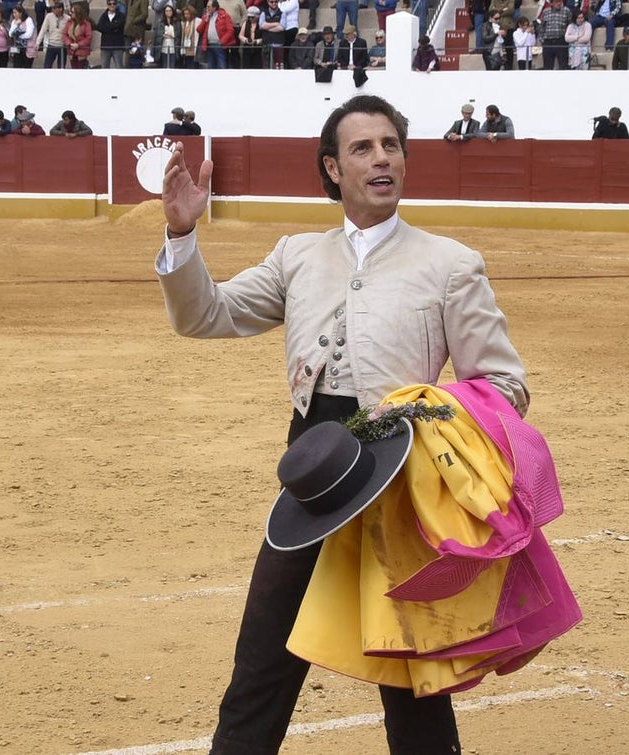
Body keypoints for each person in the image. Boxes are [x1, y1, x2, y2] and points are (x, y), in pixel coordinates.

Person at [156, 93, 529, 755]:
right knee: (262, 660)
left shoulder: (450, 263)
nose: (382, 158)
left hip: (403, 481)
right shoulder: (298, 254)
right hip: (313, 477)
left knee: (414, 681)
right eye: (363, 148)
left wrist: (419, 410)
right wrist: (183, 236)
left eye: (391, 145)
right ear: (332, 169)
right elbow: (203, 315)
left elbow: (504, 386)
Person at [198, 0, 237, 69]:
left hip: (220, 45)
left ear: (214, 7)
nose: (207, 8)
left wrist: (222, 41)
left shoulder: (225, 16)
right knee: (211, 66)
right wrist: (205, 20)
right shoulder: (206, 16)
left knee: (221, 65)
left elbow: (230, 30)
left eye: (209, 7)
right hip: (209, 45)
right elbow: (199, 30)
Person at [538, 0, 573, 70]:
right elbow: (541, 27)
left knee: (563, 67)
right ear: (551, 3)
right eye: (557, 2)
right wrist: (543, 41)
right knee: (547, 67)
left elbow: (571, 26)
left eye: (560, 1)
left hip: (561, 42)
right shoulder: (545, 11)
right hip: (548, 43)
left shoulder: (566, 11)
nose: (559, 3)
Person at [36, 0, 68, 68]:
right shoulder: (49, 16)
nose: (52, 10)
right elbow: (43, 30)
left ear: (60, 9)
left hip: (62, 46)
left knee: (61, 68)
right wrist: (38, 42)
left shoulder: (68, 19)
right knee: (47, 66)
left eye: (54, 8)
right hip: (51, 45)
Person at [98, 0, 129, 68]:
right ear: (107, 5)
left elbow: (120, 26)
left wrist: (107, 27)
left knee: (119, 67)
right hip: (105, 46)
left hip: (117, 46)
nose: (112, 5)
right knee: (104, 68)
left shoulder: (121, 16)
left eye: (114, 4)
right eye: (110, 4)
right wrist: (114, 28)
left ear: (116, 4)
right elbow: (100, 27)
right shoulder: (103, 16)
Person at [63, 1, 94, 69]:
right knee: (73, 68)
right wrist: (69, 43)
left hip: (81, 51)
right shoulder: (69, 22)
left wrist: (78, 45)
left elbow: (88, 37)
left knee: (81, 69)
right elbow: (65, 35)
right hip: (71, 50)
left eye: (72, 12)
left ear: (77, 13)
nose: (70, 13)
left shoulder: (86, 24)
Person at [153, 2, 183, 68]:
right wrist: (163, 35)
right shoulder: (160, 23)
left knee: (172, 66)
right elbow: (156, 36)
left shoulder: (177, 23)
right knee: (164, 66)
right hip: (163, 47)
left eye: (170, 11)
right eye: (167, 11)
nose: (168, 12)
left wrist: (172, 36)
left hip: (173, 48)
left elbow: (179, 35)